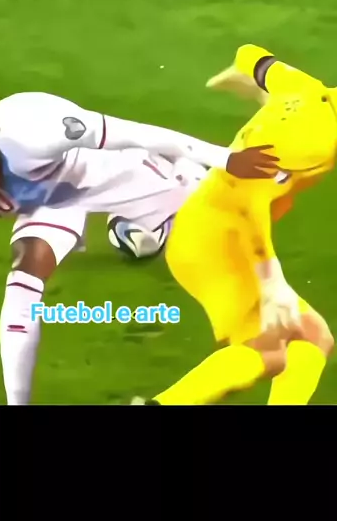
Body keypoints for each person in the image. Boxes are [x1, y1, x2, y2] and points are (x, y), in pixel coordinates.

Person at [0, 91, 277, 405]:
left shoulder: (37, 133)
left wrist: (227, 159)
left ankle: (153, 213)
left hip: (102, 172)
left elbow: (139, 134)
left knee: (213, 218)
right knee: (22, 283)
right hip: (52, 203)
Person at [132, 45, 336, 407]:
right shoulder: (310, 141)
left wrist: (234, 81)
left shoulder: (307, 91)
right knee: (272, 349)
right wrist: (272, 282)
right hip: (214, 242)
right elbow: (247, 201)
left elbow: (253, 58)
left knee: (311, 338)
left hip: (219, 229)